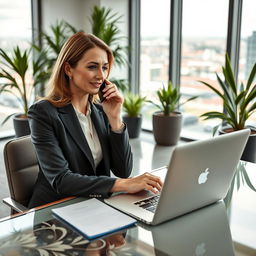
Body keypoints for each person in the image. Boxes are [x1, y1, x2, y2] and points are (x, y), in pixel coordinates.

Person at [28, 32, 162, 208]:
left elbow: (123, 170)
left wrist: (115, 118)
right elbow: (61, 180)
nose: (101, 76)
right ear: (68, 69)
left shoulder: (100, 110)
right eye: (92, 67)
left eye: (105, 68)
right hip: (56, 209)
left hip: (95, 204)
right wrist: (123, 185)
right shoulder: (43, 113)